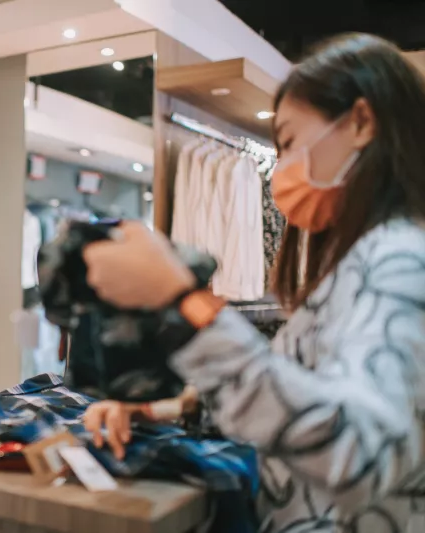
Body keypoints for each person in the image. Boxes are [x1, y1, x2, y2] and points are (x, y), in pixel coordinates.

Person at [82, 34, 425, 532]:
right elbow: (299, 392)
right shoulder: (366, 261)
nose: (281, 167)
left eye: (287, 141)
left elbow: (356, 454)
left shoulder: (400, 262)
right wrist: (167, 410)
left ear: (361, 122)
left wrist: (185, 304)